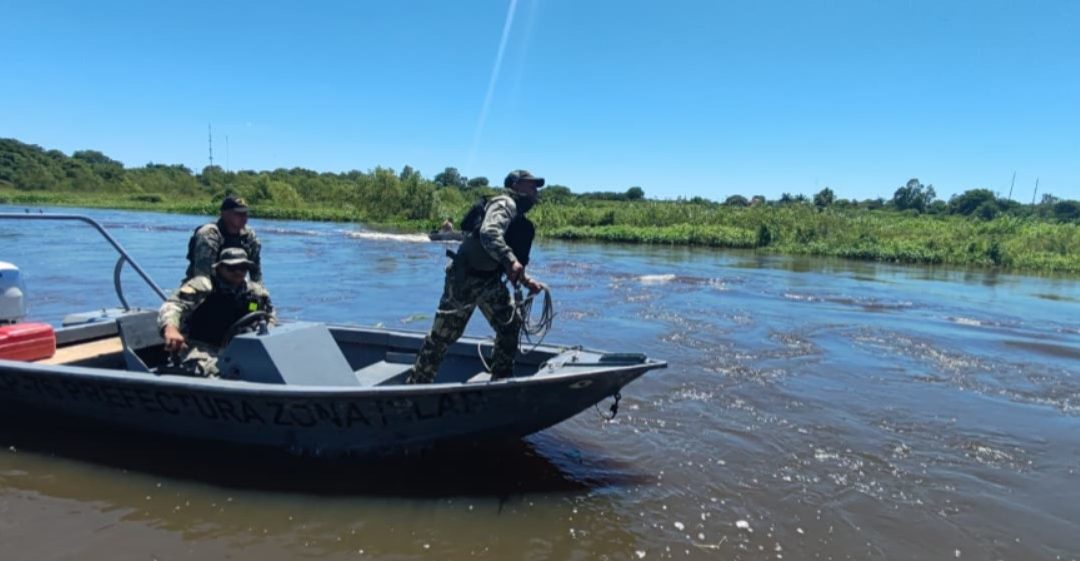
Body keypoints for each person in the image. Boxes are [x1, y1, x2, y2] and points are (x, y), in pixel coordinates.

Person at [407, 169, 546, 384]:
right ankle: (416, 385)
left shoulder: (521, 221)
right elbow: (489, 233)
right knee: (443, 336)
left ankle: (500, 380)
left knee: (510, 326)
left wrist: (527, 281)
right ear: (516, 185)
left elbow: (513, 265)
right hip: (465, 278)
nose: (536, 191)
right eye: (531, 185)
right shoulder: (504, 203)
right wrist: (511, 260)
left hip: (489, 280)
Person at [159, 248, 274, 377]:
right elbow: (173, 306)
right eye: (232, 268)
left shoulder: (255, 292)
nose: (238, 272)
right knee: (215, 373)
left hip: (239, 348)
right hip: (200, 348)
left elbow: (269, 317)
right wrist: (170, 328)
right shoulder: (203, 287)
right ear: (219, 268)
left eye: (243, 268)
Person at [184, 196, 263, 283]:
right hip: (206, 284)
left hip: (236, 285)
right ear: (224, 214)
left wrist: (259, 292)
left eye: (245, 214)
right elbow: (203, 275)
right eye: (238, 214)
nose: (244, 218)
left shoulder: (249, 235)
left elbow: (256, 273)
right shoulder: (209, 234)